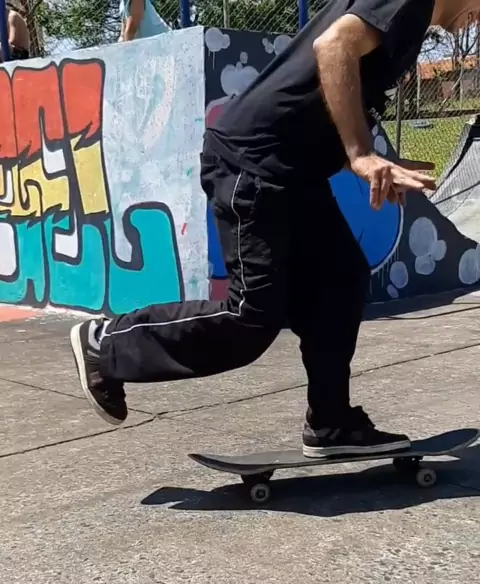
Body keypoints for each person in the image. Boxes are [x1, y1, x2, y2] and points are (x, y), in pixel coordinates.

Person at [70, 0, 471, 458]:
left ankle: (331, 423)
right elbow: (333, 47)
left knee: (341, 280)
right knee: (251, 319)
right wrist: (361, 155)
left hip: (294, 171)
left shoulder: (412, 20)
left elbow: (316, 99)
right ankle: (106, 344)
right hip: (256, 165)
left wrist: (371, 162)